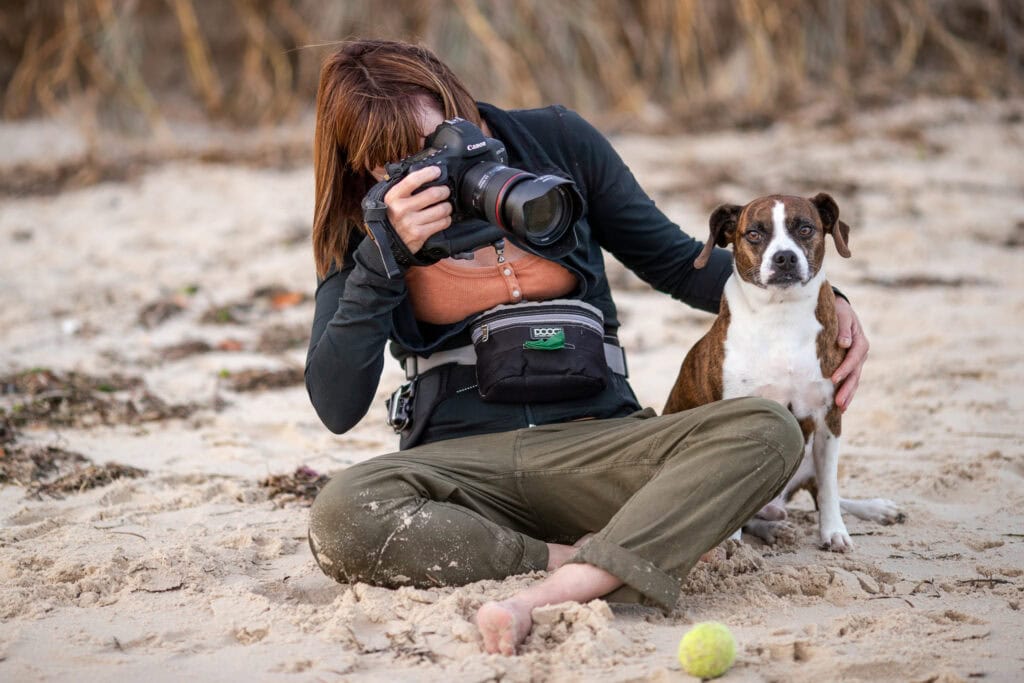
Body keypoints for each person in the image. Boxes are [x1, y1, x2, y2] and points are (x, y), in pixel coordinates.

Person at [305, 39, 869, 656]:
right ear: (361, 164)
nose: (425, 167)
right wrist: (380, 256)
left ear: (456, 99)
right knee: (339, 513)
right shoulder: (366, 220)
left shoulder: (558, 141)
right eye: (397, 161)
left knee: (768, 429)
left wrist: (829, 303)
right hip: (466, 473)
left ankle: (575, 569)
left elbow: (681, 265)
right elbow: (336, 404)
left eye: (436, 140)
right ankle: (584, 562)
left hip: (602, 448)